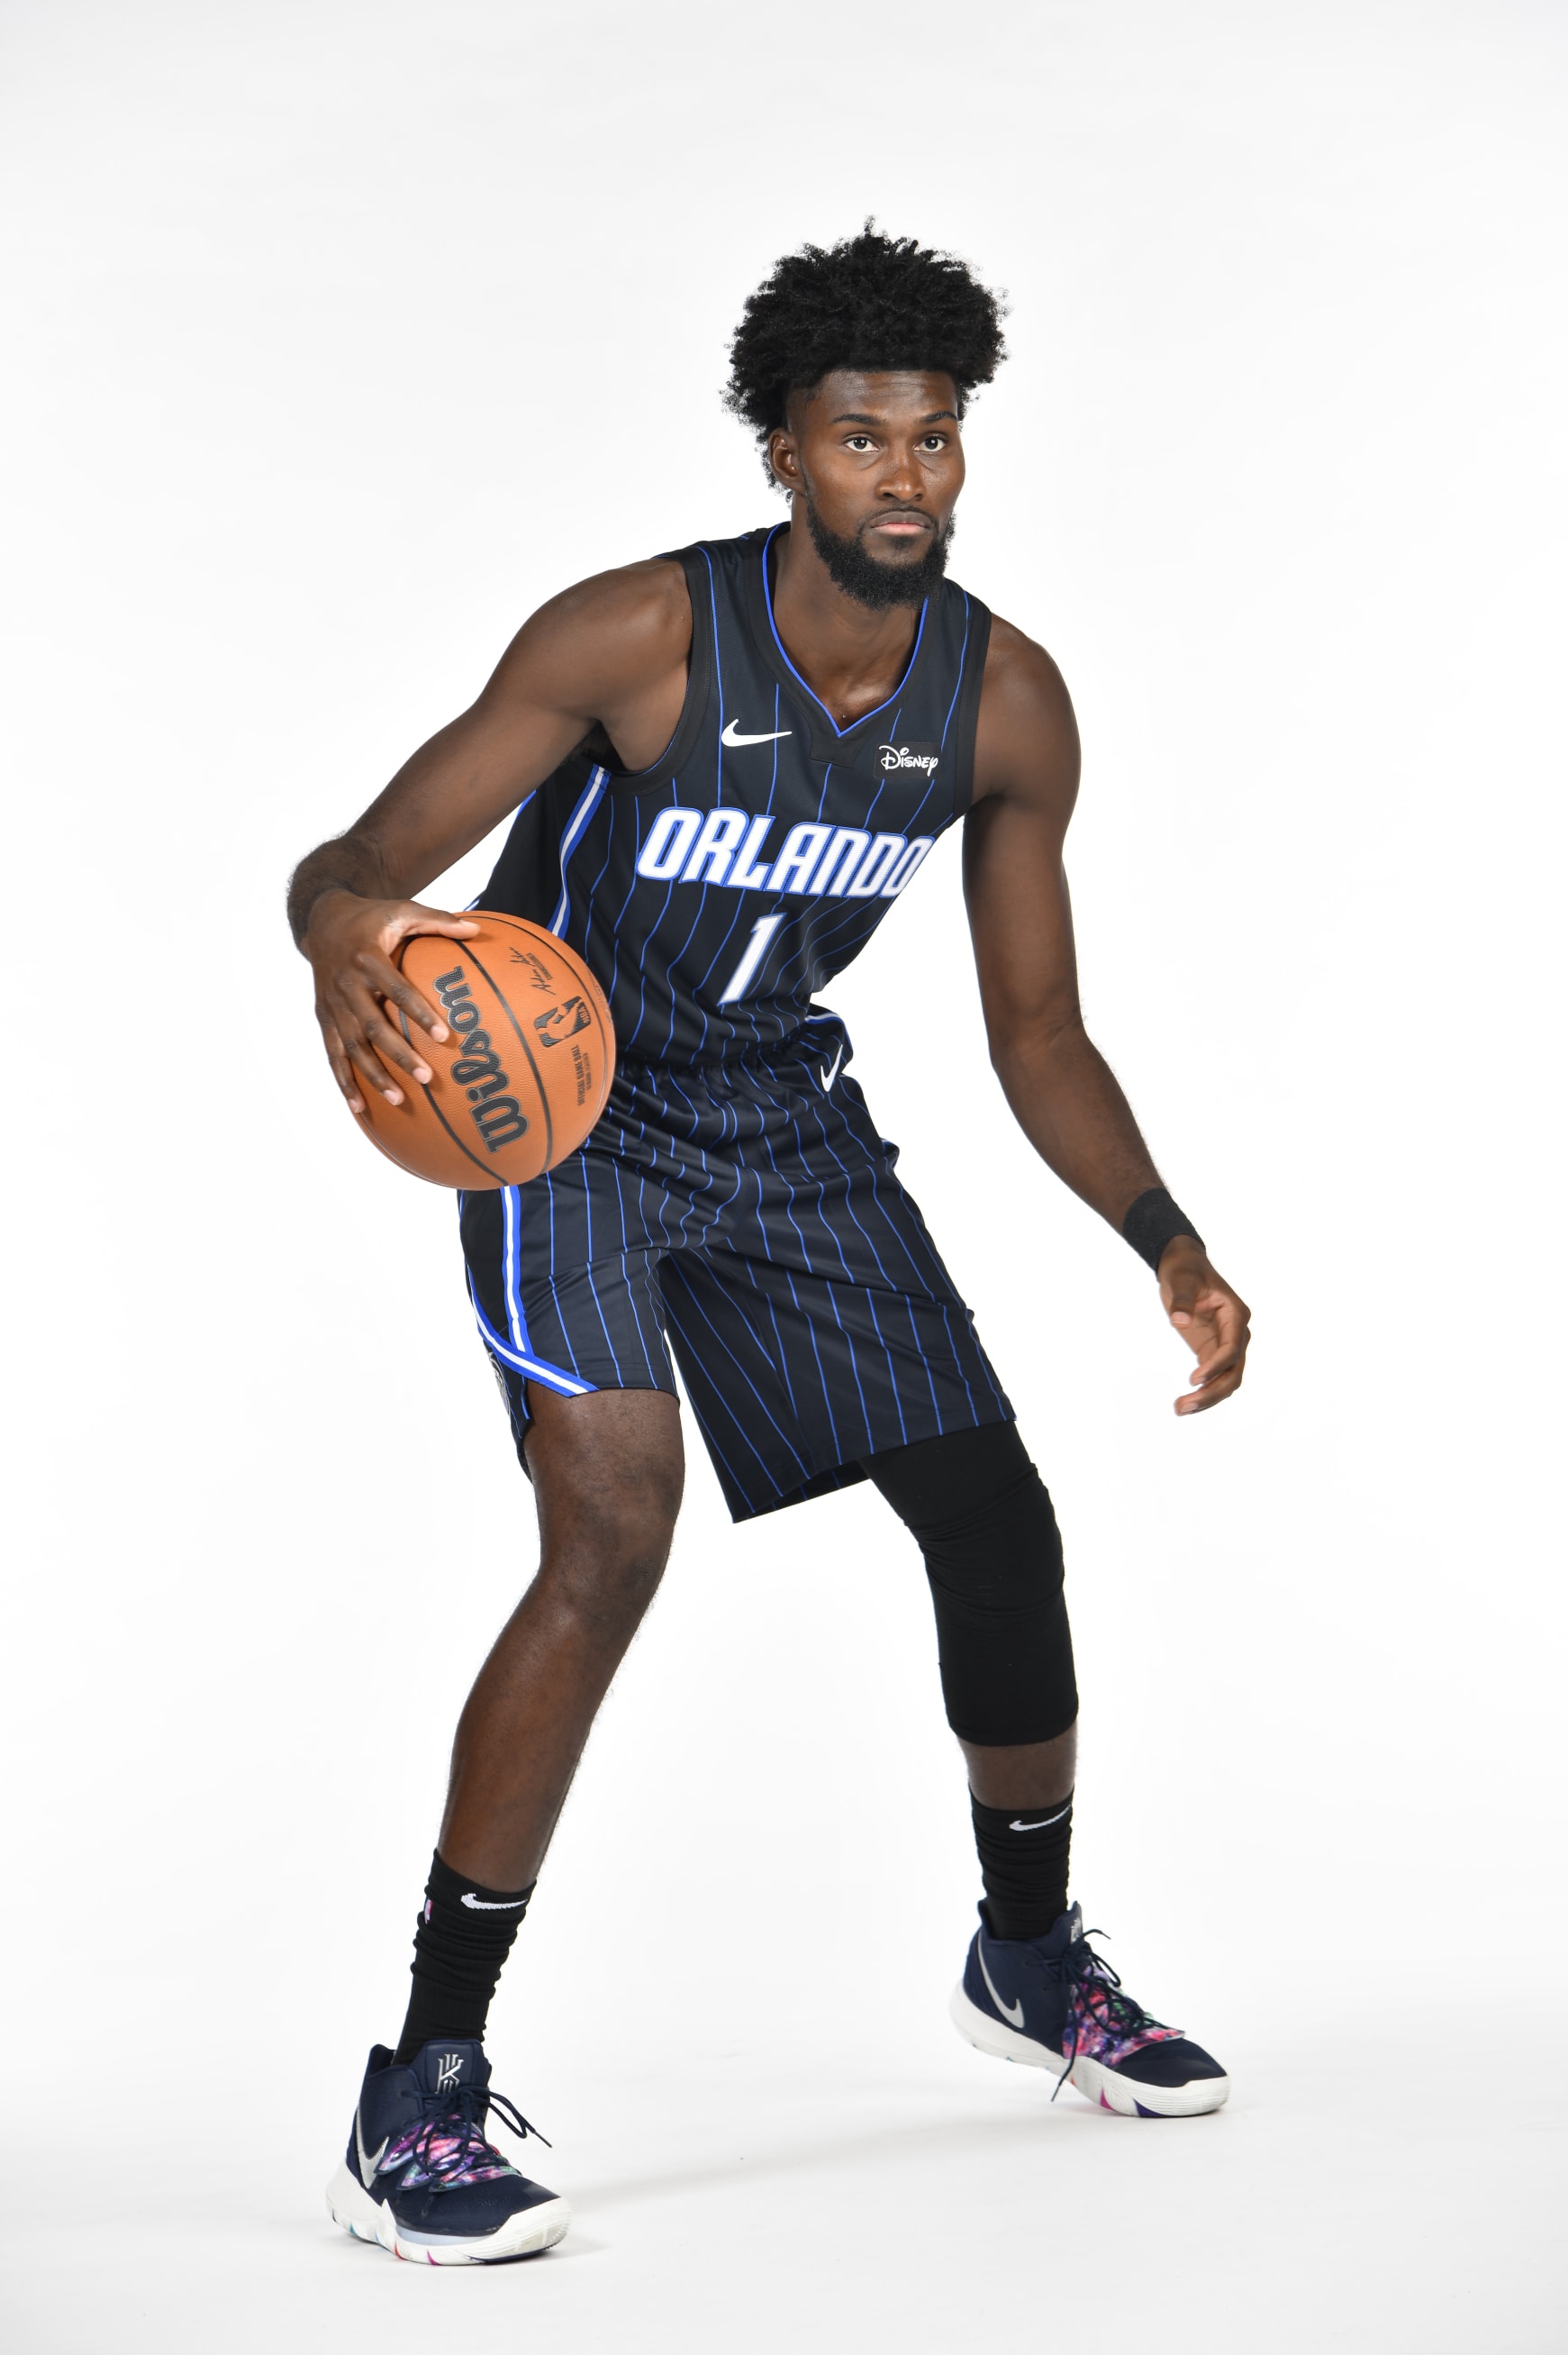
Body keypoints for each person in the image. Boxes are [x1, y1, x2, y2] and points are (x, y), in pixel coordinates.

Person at [289, 226, 1252, 2267]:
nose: (909, 475)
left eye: (938, 437)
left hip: (780, 1119)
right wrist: (343, 943)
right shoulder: (638, 636)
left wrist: (1162, 1235)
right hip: (572, 1118)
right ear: (785, 454)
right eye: (862, 437)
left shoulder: (1004, 702)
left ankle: (1030, 1958)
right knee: (611, 1527)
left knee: (995, 1520)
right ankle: (424, 2087)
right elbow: (365, 859)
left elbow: (1036, 1030)